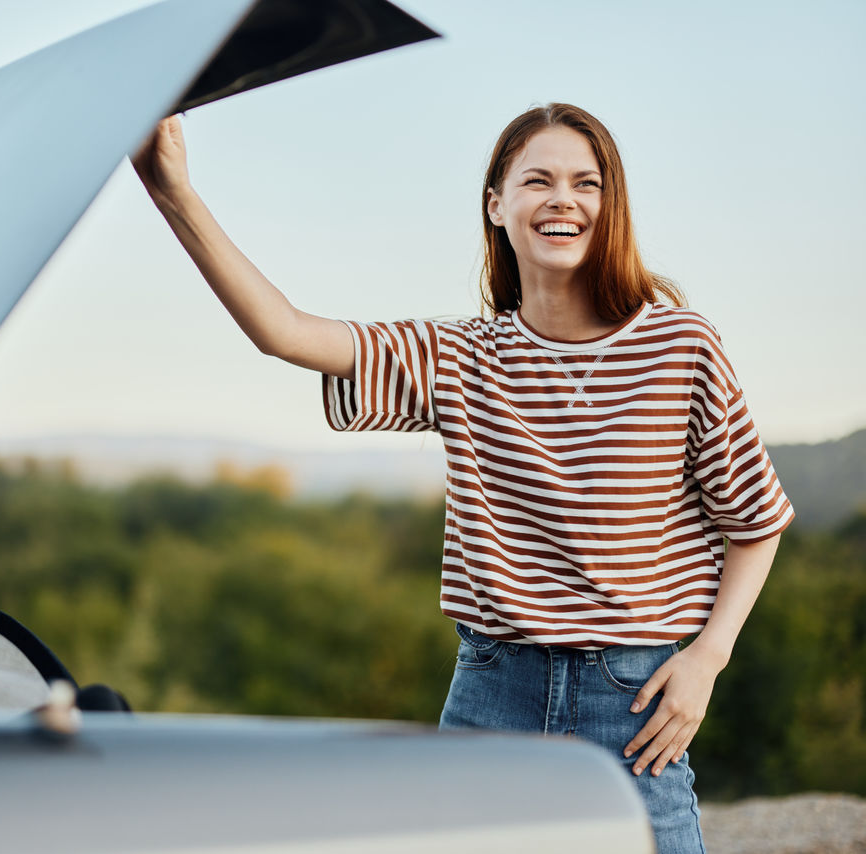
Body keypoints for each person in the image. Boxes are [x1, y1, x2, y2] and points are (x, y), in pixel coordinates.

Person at [133, 102, 792, 854]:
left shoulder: (682, 345)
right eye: (537, 180)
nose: (562, 200)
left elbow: (756, 521)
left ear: (611, 206)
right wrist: (173, 194)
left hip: (634, 704)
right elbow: (285, 332)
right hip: (492, 692)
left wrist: (708, 657)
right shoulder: (464, 357)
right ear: (497, 204)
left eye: (587, 183)